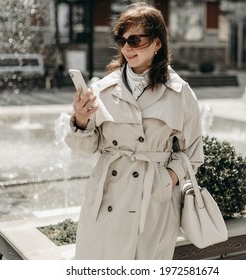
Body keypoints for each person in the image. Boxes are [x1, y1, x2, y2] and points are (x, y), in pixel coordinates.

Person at [64, 2, 203, 260]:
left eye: (135, 39)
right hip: (105, 199)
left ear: (157, 43)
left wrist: (166, 181)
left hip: (154, 203)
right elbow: (86, 147)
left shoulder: (180, 92)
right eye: (122, 40)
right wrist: (81, 120)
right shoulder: (103, 89)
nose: (127, 47)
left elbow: (193, 153)